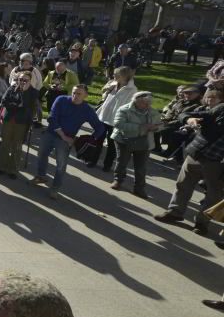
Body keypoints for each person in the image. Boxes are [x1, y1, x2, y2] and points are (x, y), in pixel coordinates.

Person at [155, 88, 224, 235]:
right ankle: (175, 212)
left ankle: (201, 222)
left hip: (217, 162)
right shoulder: (220, 109)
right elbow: (188, 114)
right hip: (196, 153)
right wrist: (189, 119)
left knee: (213, 194)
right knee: (182, 185)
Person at [31, 85, 105, 199]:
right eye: (74, 92)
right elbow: (52, 118)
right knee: (41, 154)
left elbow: (100, 128)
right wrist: (63, 136)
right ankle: (40, 176)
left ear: (86, 95)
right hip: (51, 133)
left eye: (79, 94)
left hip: (66, 140)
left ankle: (55, 188)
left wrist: (86, 140)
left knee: (61, 165)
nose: (75, 96)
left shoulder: (87, 110)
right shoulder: (61, 99)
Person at [110, 91, 158, 199]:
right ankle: (118, 180)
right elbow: (118, 124)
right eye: (145, 103)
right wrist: (141, 127)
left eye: (149, 103)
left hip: (144, 141)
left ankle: (139, 188)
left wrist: (156, 127)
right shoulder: (124, 109)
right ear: (136, 101)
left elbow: (159, 125)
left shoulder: (153, 112)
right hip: (124, 140)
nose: (147, 105)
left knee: (141, 166)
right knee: (122, 161)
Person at [0, 72, 38, 179]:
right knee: (5, 143)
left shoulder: (33, 92)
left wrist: (24, 93)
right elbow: (4, 101)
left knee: (17, 146)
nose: (22, 82)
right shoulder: (12, 88)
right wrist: (16, 105)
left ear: (30, 81)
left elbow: (28, 106)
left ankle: (13, 170)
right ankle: (1, 167)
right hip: (8, 119)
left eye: (25, 80)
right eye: (20, 79)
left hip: (22, 122)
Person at [95, 67, 138, 171]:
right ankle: (92, 160)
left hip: (115, 120)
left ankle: (107, 165)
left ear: (124, 76)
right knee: (97, 140)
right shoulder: (112, 83)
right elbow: (104, 97)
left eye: (116, 75)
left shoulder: (132, 89)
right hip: (103, 116)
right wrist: (107, 91)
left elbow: (130, 107)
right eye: (114, 74)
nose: (114, 76)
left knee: (111, 144)